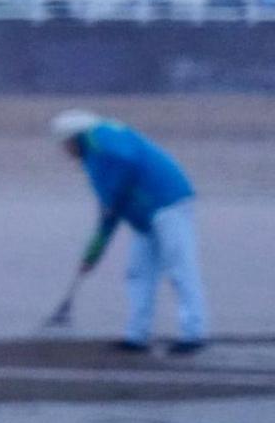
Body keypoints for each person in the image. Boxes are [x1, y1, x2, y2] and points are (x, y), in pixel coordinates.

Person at [53, 110, 209, 355]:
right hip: (143, 218)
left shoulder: (101, 135)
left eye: (63, 145)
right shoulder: (93, 161)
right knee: (138, 273)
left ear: (71, 138)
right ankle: (136, 336)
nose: (63, 151)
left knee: (180, 268)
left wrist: (113, 196)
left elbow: (126, 159)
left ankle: (194, 334)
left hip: (168, 202)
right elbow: (108, 216)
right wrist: (92, 255)